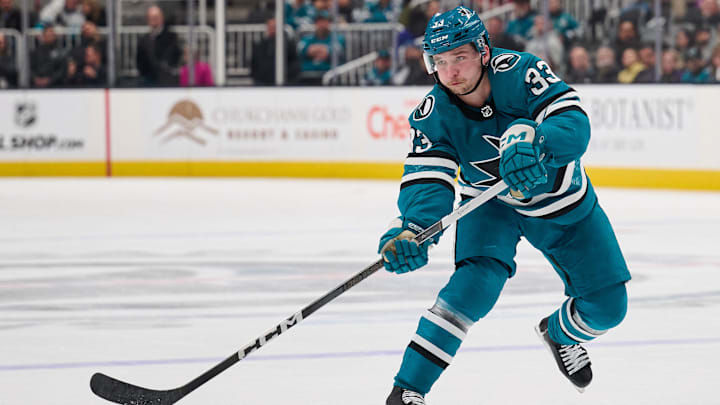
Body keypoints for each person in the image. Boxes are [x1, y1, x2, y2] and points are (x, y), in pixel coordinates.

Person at [378, 7, 631, 404]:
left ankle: (558, 333)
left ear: (482, 50)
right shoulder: (432, 114)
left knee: (608, 307)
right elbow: (429, 182)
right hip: (489, 207)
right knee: (470, 290)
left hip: (558, 201)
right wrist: (413, 228)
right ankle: (407, 390)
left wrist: (540, 143)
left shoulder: (520, 72)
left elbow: (573, 122)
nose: (451, 72)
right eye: (439, 62)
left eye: (459, 57)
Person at [136, 5, 181, 86]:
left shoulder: (171, 37)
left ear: (161, 18)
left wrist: (165, 68)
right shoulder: (143, 40)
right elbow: (140, 60)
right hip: (148, 79)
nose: (153, 20)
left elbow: (173, 55)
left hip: (166, 79)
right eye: (151, 17)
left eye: (156, 17)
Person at [250, 16, 300, 85]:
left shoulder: (288, 45)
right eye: (270, 27)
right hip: (262, 83)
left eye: (274, 28)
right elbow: (254, 65)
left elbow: (294, 63)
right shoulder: (260, 45)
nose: (272, 30)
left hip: (284, 83)